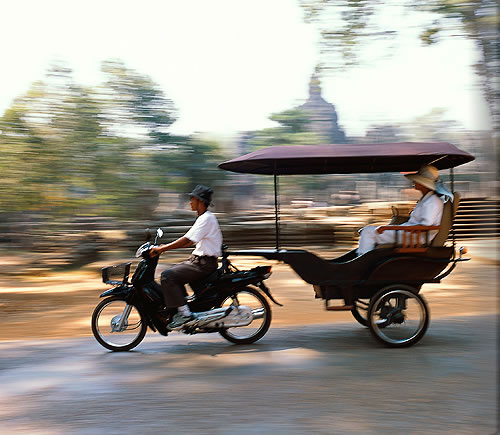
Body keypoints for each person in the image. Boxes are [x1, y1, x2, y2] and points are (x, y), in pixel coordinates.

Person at [150, 185, 223, 329]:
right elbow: (189, 240)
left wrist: (162, 249)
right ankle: (182, 308)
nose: (190, 202)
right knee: (174, 273)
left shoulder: (206, 218)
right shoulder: (204, 218)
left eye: (192, 199)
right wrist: (165, 247)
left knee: (167, 276)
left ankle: (185, 315)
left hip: (203, 264)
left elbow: (187, 240)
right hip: (198, 261)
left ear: (200, 201)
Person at [357, 165, 445, 255]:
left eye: (417, 180)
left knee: (368, 232)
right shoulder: (426, 199)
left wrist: (387, 228)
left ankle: (361, 261)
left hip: (414, 237)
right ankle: (364, 257)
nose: (414, 181)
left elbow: (426, 225)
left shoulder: (432, 201)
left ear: (424, 184)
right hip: (409, 233)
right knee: (368, 230)